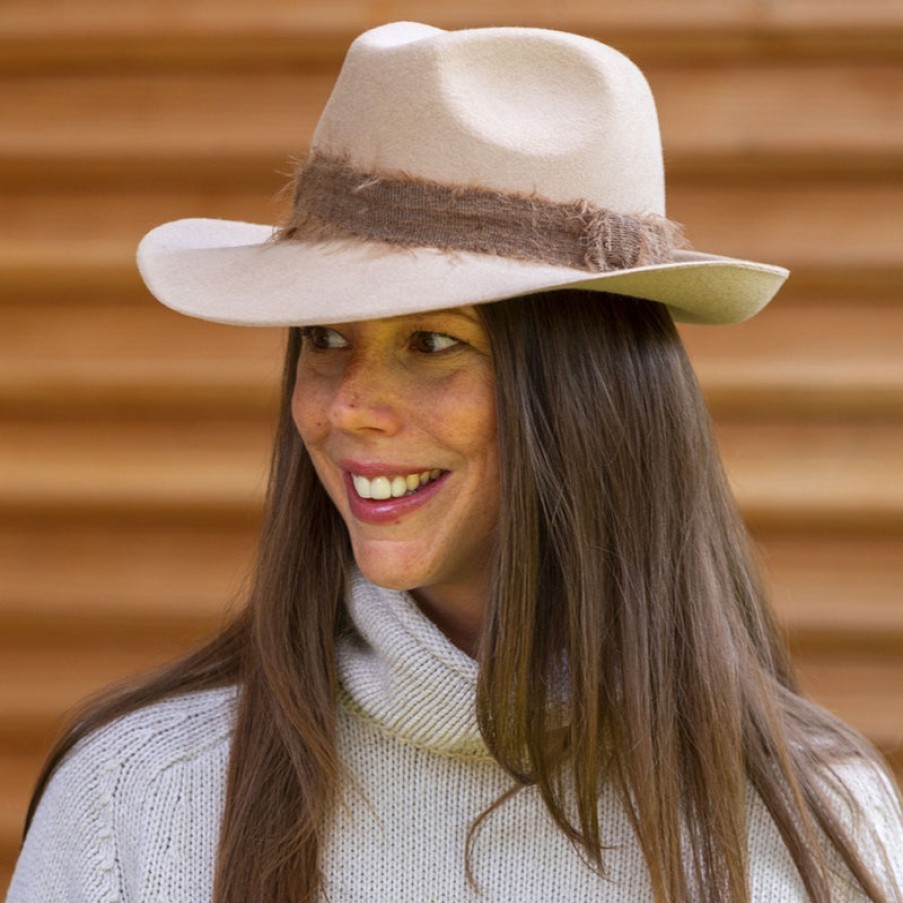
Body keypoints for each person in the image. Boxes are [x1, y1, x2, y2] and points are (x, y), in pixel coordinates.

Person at [6, 21, 902, 903]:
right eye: (324, 338)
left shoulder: (814, 818)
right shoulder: (140, 794)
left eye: (431, 341)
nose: (345, 404)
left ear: (593, 396)